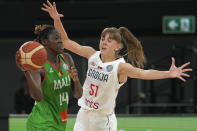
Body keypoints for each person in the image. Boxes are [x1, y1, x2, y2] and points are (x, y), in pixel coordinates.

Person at [41, 1, 192, 130]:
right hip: (84, 115)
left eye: (109, 40)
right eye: (102, 38)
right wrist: (56, 19)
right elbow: (66, 42)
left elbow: (143, 74)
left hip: (102, 120)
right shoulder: (92, 55)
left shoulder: (120, 67)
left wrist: (168, 73)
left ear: (118, 46)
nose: (103, 42)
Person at [15, 24, 82, 131]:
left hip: (59, 123)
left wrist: (76, 80)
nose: (61, 41)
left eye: (60, 38)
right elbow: (38, 97)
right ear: (45, 41)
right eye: (56, 38)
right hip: (41, 124)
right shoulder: (38, 66)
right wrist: (26, 71)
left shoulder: (67, 58)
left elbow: (78, 95)